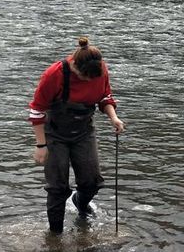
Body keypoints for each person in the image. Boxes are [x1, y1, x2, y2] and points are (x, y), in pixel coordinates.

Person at [28, 37, 125, 234]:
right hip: (54, 134)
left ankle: (80, 203)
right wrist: (40, 146)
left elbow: (105, 97)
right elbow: (37, 111)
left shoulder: (99, 70)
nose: (88, 81)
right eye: (84, 78)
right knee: (57, 188)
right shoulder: (53, 74)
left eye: (92, 79)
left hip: (83, 132)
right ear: (74, 65)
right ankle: (55, 236)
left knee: (91, 182)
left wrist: (113, 117)